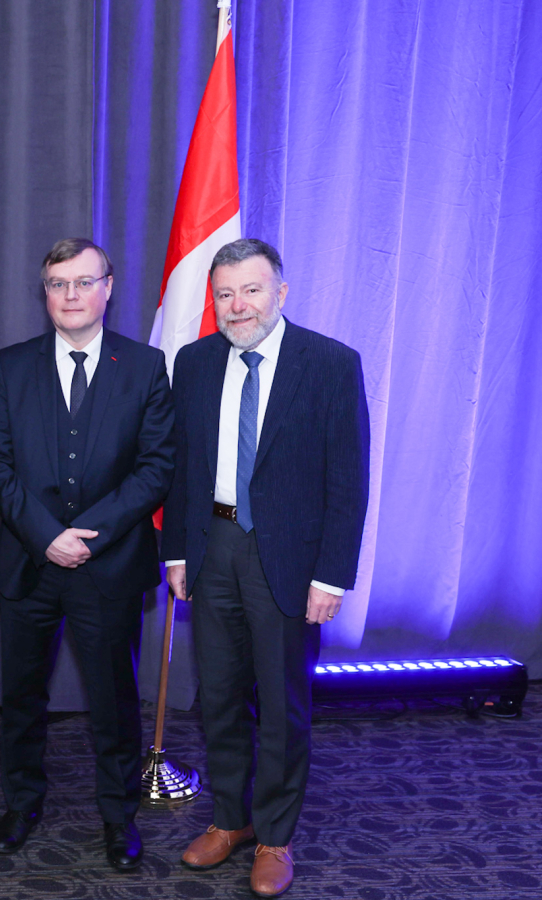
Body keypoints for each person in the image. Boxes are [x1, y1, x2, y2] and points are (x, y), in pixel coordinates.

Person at [162, 238, 369, 898]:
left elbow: (349, 480)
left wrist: (331, 576)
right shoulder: (193, 363)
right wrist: (175, 552)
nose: (237, 304)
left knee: (281, 707)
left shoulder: (331, 364)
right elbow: (181, 464)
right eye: (224, 293)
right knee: (217, 698)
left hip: (289, 562)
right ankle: (230, 820)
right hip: (212, 549)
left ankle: (276, 837)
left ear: (281, 293)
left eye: (251, 290)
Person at [0, 238, 174, 869]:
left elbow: (155, 468)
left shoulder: (145, 367)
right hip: (31, 563)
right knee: (22, 695)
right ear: (45, 292)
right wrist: (45, 536)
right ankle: (22, 802)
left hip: (109, 566)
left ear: (108, 287)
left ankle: (119, 817)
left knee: (115, 701)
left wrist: (89, 534)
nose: (70, 295)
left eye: (83, 282)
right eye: (58, 284)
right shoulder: (10, 366)